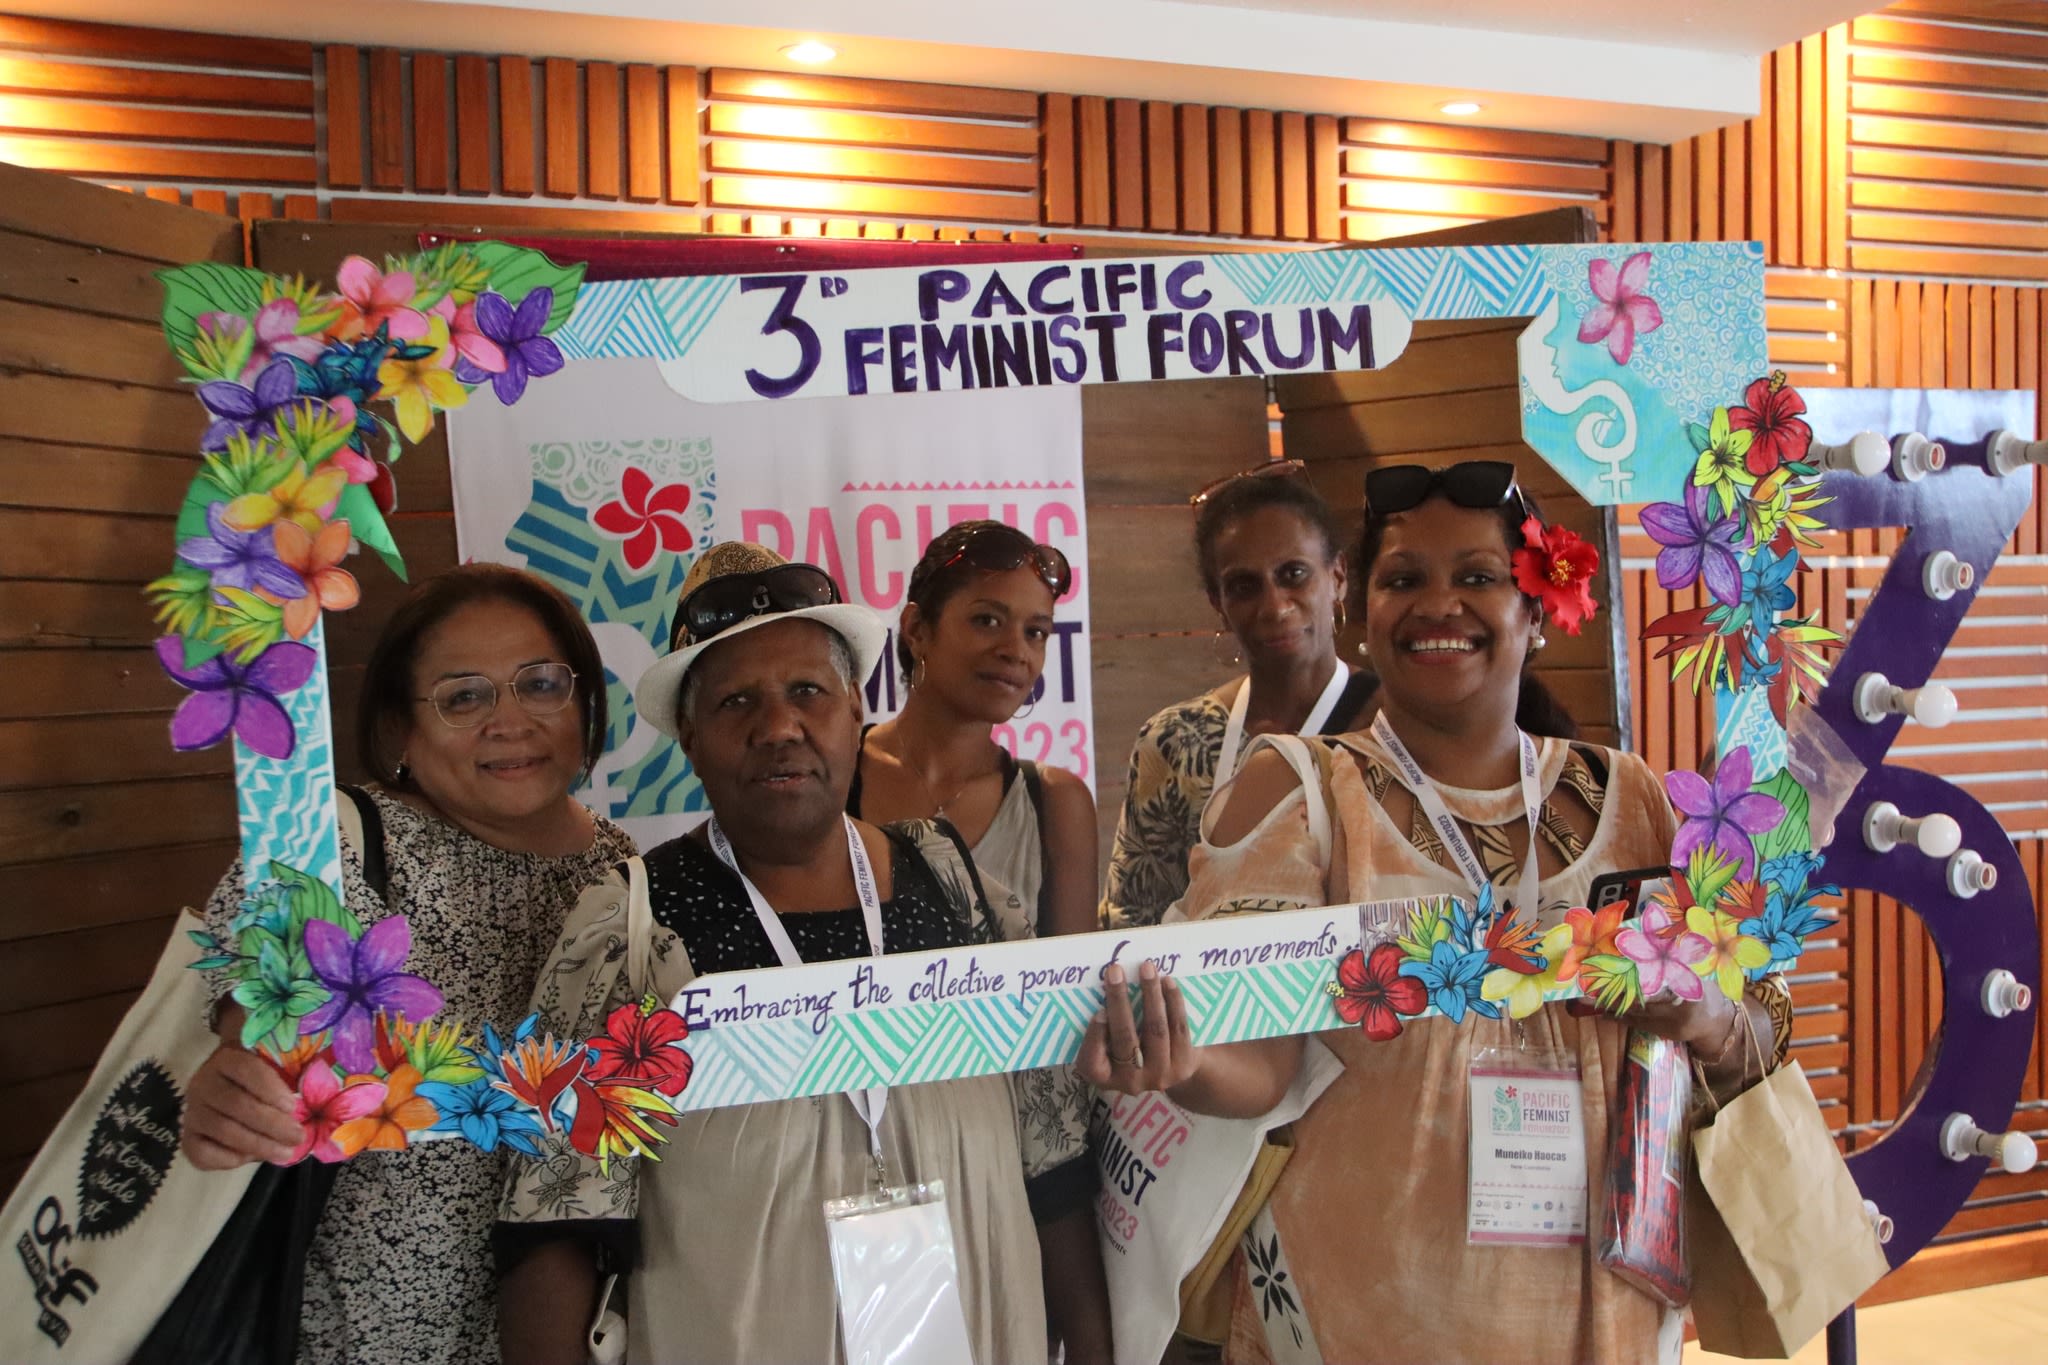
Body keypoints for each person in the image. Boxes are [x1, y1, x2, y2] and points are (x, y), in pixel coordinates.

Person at [1077, 461, 1796, 1365]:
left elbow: (1763, 1020)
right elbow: (1257, 1065)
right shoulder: (1298, 793)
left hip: (1605, 1316)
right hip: (1365, 1310)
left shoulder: (1635, 798)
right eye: (1405, 578)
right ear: (1364, 608)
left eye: (1478, 577)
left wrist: (1708, 1015)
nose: (1438, 604)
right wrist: (1177, 1060)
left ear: (1536, 608)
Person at [496, 543, 1052, 1365]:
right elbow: (555, 1224)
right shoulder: (633, 933)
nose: (778, 725)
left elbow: (1056, 1158)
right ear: (688, 734)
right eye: (736, 702)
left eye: (807, 692)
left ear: (856, 708)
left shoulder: (957, 890)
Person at [178, 563, 636, 1365]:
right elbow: (250, 1027)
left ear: (585, 699)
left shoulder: (624, 871)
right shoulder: (336, 843)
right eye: (464, 695)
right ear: (399, 730)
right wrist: (236, 1081)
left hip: (563, 1333)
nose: (510, 720)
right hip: (356, 1338)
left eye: (540, 683)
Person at [847, 520, 1112, 1361]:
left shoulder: (1055, 800)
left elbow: (1068, 1031)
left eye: (1035, 631)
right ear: (917, 629)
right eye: (988, 620)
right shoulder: (831, 778)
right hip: (863, 1147)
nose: (1016, 650)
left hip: (1020, 1157)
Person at [1101, 461, 1377, 928]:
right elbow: (1130, 923)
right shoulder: (1175, 742)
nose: (1274, 605)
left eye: (1293, 574)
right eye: (1244, 586)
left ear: (1338, 578)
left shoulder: (1391, 726)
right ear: (1218, 605)